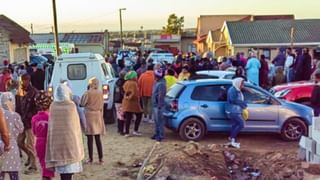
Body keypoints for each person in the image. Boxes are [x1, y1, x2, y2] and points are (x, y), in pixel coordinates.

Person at [46, 83, 84, 180]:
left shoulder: (53, 106)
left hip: (57, 145)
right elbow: (75, 127)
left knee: (63, 174)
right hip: (70, 144)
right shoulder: (71, 106)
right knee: (68, 173)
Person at [15, 73, 38, 173]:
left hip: (30, 122)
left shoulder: (34, 92)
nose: (23, 82)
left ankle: (33, 166)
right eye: (22, 80)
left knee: (30, 144)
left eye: (24, 80)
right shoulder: (19, 91)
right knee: (19, 142)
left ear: (28, 80)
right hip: (22, 121)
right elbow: (18, 106)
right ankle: (29, 156)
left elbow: (36, 108)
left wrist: (29, 116)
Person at [80, 78, 105, 165]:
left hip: (89, 115)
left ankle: (90, 159)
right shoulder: (100, 92)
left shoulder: (87, 93)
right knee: (98, 138)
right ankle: (101, 158)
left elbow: (82, 103)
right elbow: (102, 105)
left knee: (89, 138)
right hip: (98, 114)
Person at [31, 91, 55, 180]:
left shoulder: (34, 118)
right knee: (49, 165)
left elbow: (34, 132)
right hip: (50, 142)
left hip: (39, 142)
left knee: (43, 163)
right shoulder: (52, 117)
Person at [0, 93, 24, 180]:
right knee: (14, 173)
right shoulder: (15, 116)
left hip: (1, 145)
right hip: (12, 146)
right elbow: (21, 129)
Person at [225, 78, 247, 148]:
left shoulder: (236, 89)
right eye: (242, 83)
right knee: (241, 124)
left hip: (235, 110)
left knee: (235, 124)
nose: (242, 85)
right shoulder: (233, 90)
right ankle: (232, 138)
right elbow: (233, 100)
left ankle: (231, 138)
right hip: (233, 111)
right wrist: (243, 104)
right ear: (238, 83)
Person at [122, 71, 143, 137]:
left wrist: (127, 97)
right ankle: (135, 130)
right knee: (139, 115)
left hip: (126, 102)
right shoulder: (134, 84)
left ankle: (127, 132)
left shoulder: (126, 83)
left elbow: (124, 92)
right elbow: (134, 94)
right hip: (133, 103)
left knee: (128, 118)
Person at [151, 69, 166, 142]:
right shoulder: (157, 82)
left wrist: (159, 105)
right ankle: (157, 133)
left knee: (159, 121)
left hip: (158, 105)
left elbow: (161, 95)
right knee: (156, 121)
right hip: (155, 104)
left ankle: (160, 135)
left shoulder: (161, 84)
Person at [115, 71, 126, 135]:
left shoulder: (116, 82)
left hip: (116, 101)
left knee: (119, 115)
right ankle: (122, 130)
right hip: (122, 100)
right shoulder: (123, 83)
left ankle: (119, 129)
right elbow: (123, 92)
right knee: (122, 115)